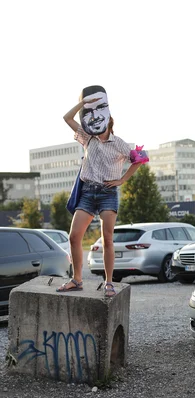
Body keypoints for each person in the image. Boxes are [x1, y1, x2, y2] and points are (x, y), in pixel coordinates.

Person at [57, 85, 143, 296]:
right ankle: (77, 280)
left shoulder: (119, 143)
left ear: (108, 120)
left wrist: (122, 180)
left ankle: (109, 283)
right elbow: (67, 118)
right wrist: (84, 104)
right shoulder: (88, 139)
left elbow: (139, 159)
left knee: (107, 238)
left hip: (107, 193)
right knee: (74, 236)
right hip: (87, 193)